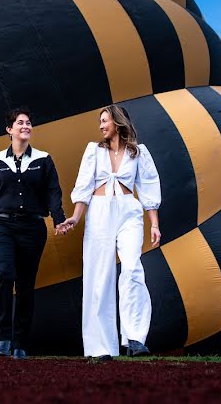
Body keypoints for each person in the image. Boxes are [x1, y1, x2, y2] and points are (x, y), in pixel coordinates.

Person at [0, 106, 69, 360]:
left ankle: (20, 343)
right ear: (9, 130)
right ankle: (3, 338)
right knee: (4, 272)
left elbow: (53, 193)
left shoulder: (44, 160)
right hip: (1, 225)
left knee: (25, 285)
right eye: (20, 123)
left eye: (29, 123)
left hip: (32, 228)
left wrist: (59, 219)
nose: (26, 126)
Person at [61, 104, 162, 358]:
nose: (101, 125)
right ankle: (101, 347)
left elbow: (149, 187)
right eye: (100, 121)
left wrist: (155, 224)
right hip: (100, 212)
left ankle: (135, 339)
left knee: (132, 267)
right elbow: (84, 186)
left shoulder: (138, 153)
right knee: (99, 276)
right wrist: (75, 217)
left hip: (129, 211)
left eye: (105, 120)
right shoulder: (93, 151)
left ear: (117, 122)